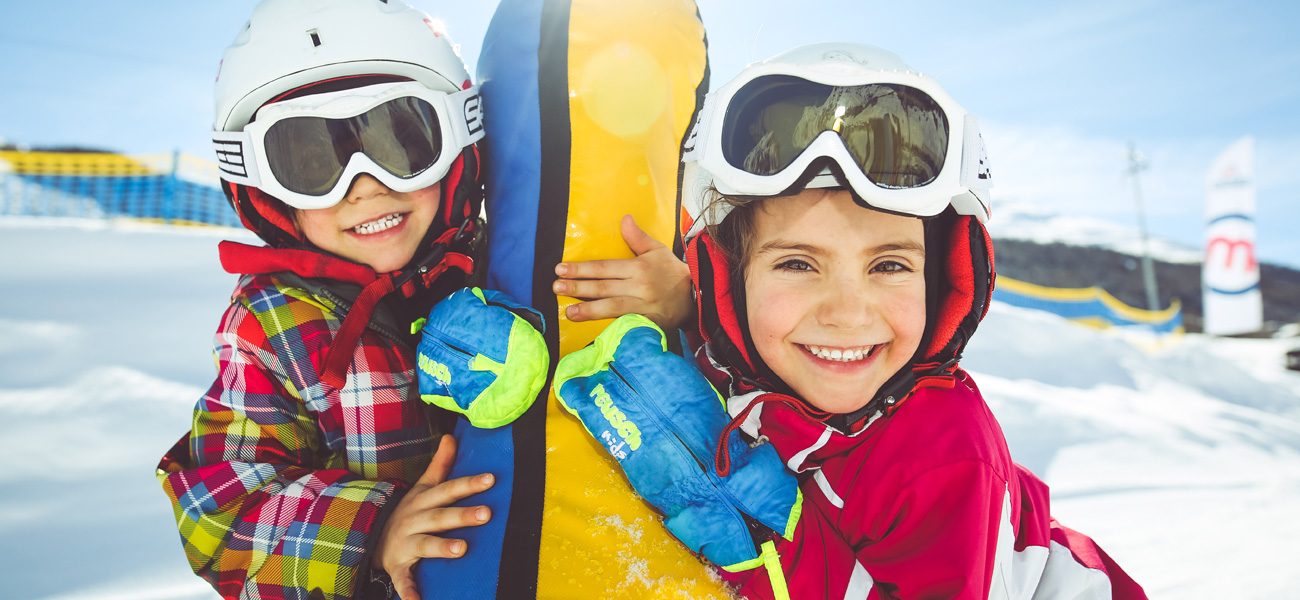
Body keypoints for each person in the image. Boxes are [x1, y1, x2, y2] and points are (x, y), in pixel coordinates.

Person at [556, 43, 1147, 598]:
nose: (845, 313)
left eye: (888, 264)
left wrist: (765, 550)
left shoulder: (940, 454)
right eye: (796, 263)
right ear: (727, 280)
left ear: (944, 284)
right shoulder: (754, 347)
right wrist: (685, 307)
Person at [155, 2, 688, 599]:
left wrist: (680, 306)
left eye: (400, 140)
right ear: (265, 191)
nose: (364, 184)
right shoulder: (272, 322)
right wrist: (373, 532)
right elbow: (215, 506)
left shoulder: (514, 262)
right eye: (309, 160)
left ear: (456, 146)